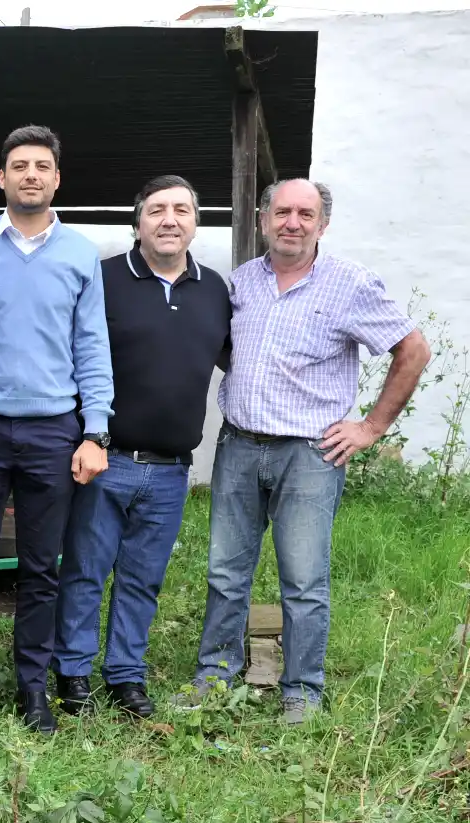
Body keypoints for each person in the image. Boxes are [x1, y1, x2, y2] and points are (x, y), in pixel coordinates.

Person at [182, 178, 431, 725]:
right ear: (264, 219)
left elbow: (413, 350)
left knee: (302, 581)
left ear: (323, 223)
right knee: (226, 572)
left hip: (311, 455)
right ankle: (214, 678)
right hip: (240, 446)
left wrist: (370, 426)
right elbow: (233, 352)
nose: (292, 222)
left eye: (305, 213)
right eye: (282, 211)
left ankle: (301, 690)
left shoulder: (351, 284)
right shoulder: (242, 283)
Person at [0, 125, 113, 735]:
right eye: (19, 165)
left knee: (43, 567)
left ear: (57, 178)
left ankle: (32, 688)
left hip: (54, 432)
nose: (31, 175)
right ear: (2, 178)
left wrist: (96, 431)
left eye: (42, 165)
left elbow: (92, 346)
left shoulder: (79, 254)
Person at [52, 176, 231, 720]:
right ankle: (74, 674)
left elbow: (242, 362)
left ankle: (126, 676)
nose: (169, 219)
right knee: (84, 570)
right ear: (138, 223)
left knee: (142, 579)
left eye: (181, 209)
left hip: (172, 470)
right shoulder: (103, 279)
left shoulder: (216, 290)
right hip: (106, 459)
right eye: (157, 210)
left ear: (196, 222)